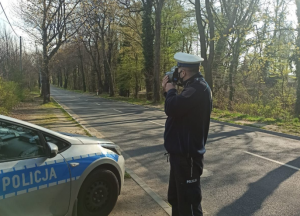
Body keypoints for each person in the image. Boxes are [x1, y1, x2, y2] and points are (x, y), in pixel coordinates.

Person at [162, 52, 212, 216]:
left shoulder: (198, 88)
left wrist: (170, 91)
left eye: (177, 71)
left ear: (183, 72)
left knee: (189, 204)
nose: (175, 75)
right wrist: (169, 92)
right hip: (180, 156)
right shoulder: (192, 88)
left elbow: (173, 108)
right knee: (176, 199)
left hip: (188, 158)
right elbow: (177, 111)